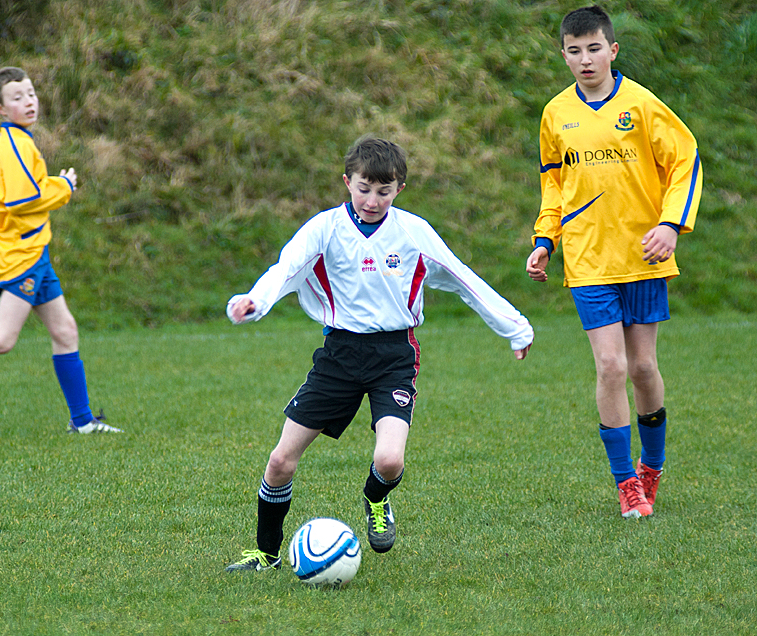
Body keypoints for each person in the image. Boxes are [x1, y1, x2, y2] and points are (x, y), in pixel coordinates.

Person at [225, 136, 534, 571]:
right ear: (347, 181)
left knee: (389, 460)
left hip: (394, 356)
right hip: (339, 355)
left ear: (399, 189)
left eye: (384, 191)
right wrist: (254, 303)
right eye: (364, 188)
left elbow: (462, 278)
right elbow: (286, 269)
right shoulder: (325, 228)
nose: (372, 200)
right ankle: (265, 554)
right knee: (280, 460)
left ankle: (376, 499)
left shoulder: (412, 232)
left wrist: (515, 327)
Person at [525, 6, 702, 519]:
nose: (585, 59)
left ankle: (653, 465)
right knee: (611, 365)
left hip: (642, 257)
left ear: (612, 50)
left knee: (644, 368)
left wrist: (670, 225)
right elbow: (554, 185)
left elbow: (686, 158)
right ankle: (626, 483)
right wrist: (545, 240)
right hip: (588, 260)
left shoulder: (641, 105)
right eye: (575, 51)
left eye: (594, 49)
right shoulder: (555, 113)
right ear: (564, 55)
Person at [0, 66, 121, 434]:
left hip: (35, 254)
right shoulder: (14, 143)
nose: (28, 102)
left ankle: (82, 422)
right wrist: (62, 185)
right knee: (1, 339)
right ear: (0, 110)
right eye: (17, 98)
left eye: (30, 93)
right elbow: (22, 198)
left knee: (65, 330)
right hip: (23, 257)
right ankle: (81, 421)